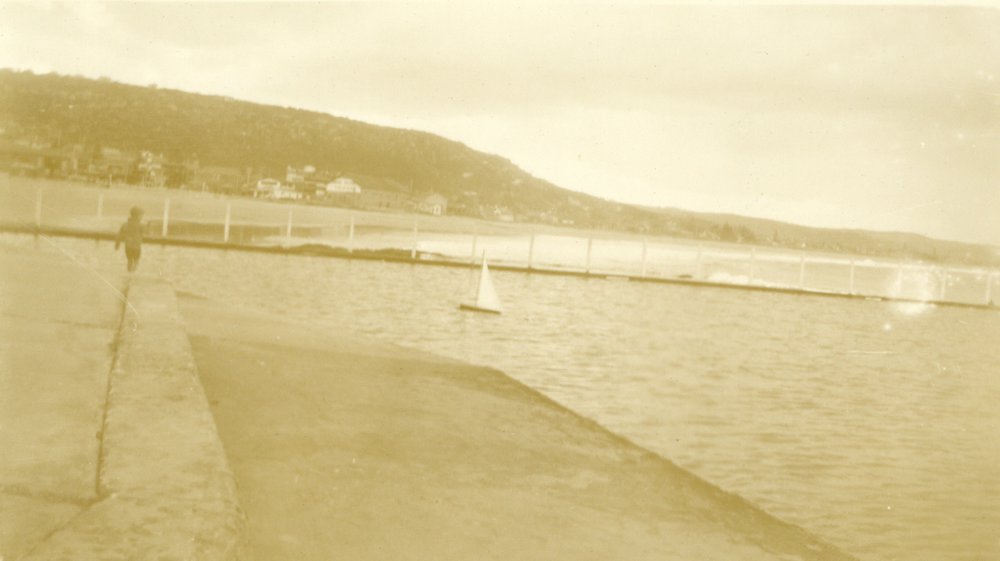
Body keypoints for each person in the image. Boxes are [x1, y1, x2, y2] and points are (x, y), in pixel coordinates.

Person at [115, 206, 145, 272]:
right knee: (136, 261)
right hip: (136, 247)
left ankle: (129, 272)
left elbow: (119, 235)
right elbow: (146, 232)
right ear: (138, 216)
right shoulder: (141, 225)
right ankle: (133, 273)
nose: (142, 217)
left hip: (128, 247)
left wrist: (117, 244)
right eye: (141, 215)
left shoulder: (125, 224)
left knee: (129, 260)